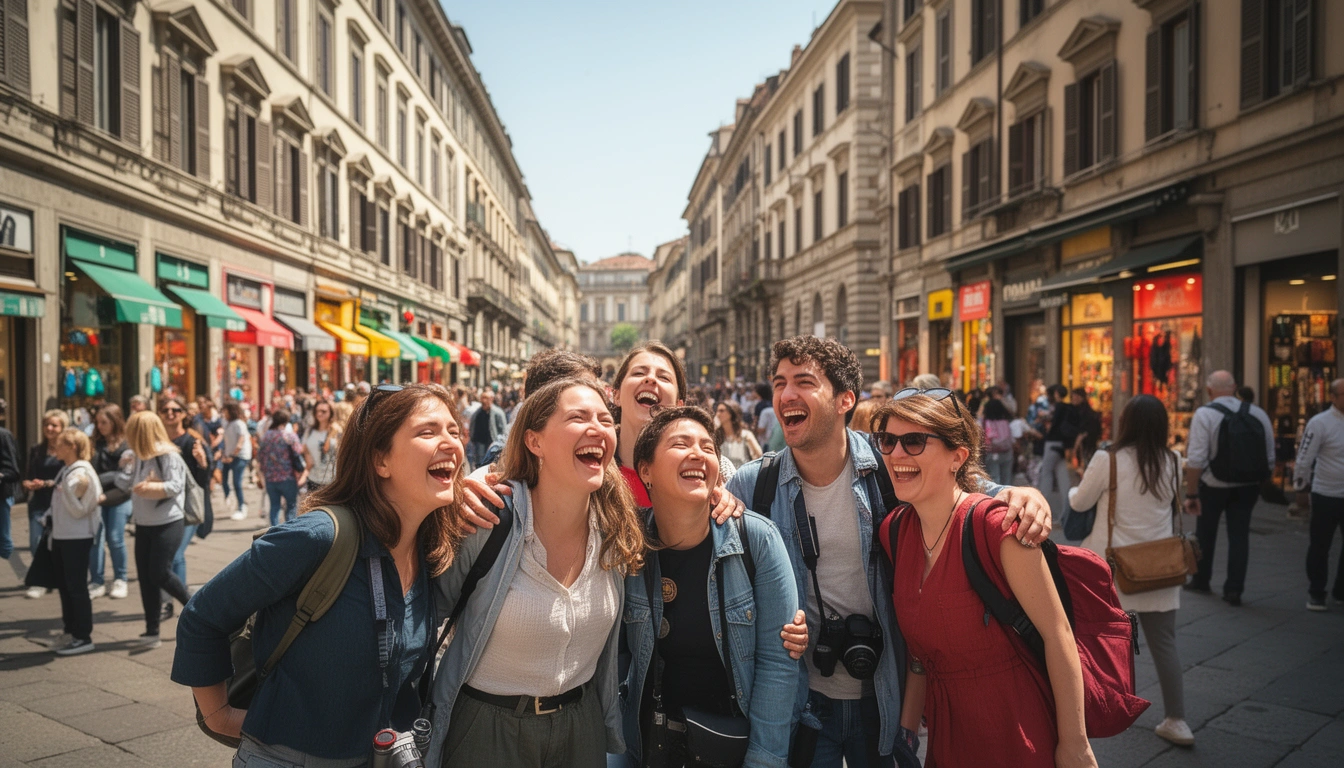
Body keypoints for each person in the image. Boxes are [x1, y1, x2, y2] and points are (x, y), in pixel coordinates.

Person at [725, 337, 1053, 768]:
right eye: (779, 382)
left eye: (804, 382)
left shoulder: (888, 466)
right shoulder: (752, 486)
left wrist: (1019, 493)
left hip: (884, 695)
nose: (786, 394)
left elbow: (965, 489)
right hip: (801, 700)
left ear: (846, 400)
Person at [174, 384, 464, 763]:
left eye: (454, 431)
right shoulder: (318, 536)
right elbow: (202, 616)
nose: (450, 443)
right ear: (381, 461)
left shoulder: (429, 547)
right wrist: (220, 716)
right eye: (428, 431)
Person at [424, 378, 643, 767]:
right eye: (578, 417)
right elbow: (424, 616)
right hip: (487, 733)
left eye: (606, 419)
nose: (598, 428)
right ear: (534, 441)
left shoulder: (617, 529)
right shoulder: (489, 517)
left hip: (581, 728)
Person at [873, 392, 1097, 768]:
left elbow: (1058, 635)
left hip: (1017, 732)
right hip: (947, 738)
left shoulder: (997, 527)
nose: (896, 455)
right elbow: (918, 657)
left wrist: (1075, 745)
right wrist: (906, 737)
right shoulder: (894, 532)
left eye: (913, 441)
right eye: (887, 441)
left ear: (957, 456)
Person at [620, 406, 800, 767]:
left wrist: (763, 760)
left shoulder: (757, 540)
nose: (698, 454)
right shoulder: (626, 544)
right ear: (646, 471)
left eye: (707, 447)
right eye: (681, 443)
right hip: (646, 747)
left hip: (733, 748)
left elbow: (778, 667)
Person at [1070, 395, 1192, 746]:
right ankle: (1177, 720)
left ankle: (1087, 709)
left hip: (1111, 567)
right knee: (1164, 644)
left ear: (1126, 423)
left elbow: (1079, 502)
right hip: (1158, 567)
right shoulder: (1173, 460)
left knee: (1088, 639)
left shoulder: (1107, 459)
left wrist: (1076, 486)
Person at [1184, 370, 1275, 606]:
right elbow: (1269, 455)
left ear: (1209, 390)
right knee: (1239, 535)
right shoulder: (1257, 412)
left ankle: (1202, 580)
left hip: (1213, 484)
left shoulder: (1205, 414)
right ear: (1234, 387)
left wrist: (1191, 492)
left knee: (1205, 532)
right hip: (1248, 486)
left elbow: (1195, 458)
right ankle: (1234, 589)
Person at [118, 411, 193, 648]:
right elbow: (127, 484)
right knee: (146, 578)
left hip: (168, 522)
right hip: (143, 524)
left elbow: (175, 486)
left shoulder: (168, 454)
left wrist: (153, 487)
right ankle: (152, 630)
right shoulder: (139, 455)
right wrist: (121, 471)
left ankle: (195, 606)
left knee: (159, 573)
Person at [45, 428, 102, 656]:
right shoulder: (66, 471)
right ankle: (71, 631)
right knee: (66, 587)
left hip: (77, 537)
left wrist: (65, 491)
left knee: (76, 587)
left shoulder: (82, 473)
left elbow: (81, 510)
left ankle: (83, 636)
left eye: (60, 444)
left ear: (72, 447)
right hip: (62, 536)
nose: (55, 447)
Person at [1293, 378, 1344, 611]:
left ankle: (1341, 590)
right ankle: (1317, 591)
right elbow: (1305, 457)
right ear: (1333, 397)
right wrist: (1301, 487)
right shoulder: (1320, 423)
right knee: (1320, 545)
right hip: (1326, 493)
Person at [160, 396, 212, 619]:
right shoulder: (159, 441)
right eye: (165, 410)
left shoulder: (191, 442)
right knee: (166, 558)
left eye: (175, 410)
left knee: (175, 555)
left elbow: (202, 481)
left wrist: (202, 463)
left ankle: (182, 603)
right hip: (164, 505)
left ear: (182, 414)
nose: (170, 413)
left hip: (187, 507)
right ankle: (170, 602)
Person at [23, 410, 68, 598]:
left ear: (63, 428)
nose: (49, 428)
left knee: (59, 546)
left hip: (60, 505)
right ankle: (41, 581)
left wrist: (50, 483)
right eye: (46, 424)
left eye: (54, 425)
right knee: (35, 542)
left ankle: (55, 578)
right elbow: (27, 476)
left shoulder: (67, 449)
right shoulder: (36, 449)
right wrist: (28, 484)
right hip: (39, 503)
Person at [89, 404, 132, 600]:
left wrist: (108, 480)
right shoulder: (94, 443)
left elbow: (126, 479)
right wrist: (113, 475)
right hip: (96, 498)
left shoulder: (126, 444)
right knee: (96, 540)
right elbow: (91, 473)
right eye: (98, 422)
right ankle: (96, 581)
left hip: (119, 497)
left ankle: (120, 579)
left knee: (115, 538)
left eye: (104, 422)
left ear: (115, 422)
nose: (100, 426)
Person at [257, 410, 306, 527]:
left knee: (274, 506)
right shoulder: (289, 436)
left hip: (271, 477)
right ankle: (290, 530)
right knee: (291, 506)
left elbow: (260, 456)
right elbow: (298, 451)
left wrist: (263, 472)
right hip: (287, 476)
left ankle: (274, 530)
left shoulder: (266, 436)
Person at [1037, 385, 1078, 516]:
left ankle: (1042, 509)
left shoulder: (1059, 407)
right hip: (1062, 444)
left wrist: (1048, 426)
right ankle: (1067, 510)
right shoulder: (1069, 407)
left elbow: (1054, 425)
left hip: (1052, 443)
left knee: (1046, 474)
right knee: (1062, 476)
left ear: (1055, 393)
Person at [219, 401, 252, 520]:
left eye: (225, 411)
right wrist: (224, 453)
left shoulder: (239, 424)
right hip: (228, 455)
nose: (223, 413)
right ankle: (230, 497)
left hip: (240, 456)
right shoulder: (226, 422)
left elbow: (240, 441)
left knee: (236, 482)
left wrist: (232, 455)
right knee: (224, 480)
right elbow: (226, 440)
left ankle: (242, 507)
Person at [300, 399, 341, 494]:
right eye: (317, 411)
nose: (319, 414)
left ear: (331, 413)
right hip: (313, 480)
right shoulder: (309, 431)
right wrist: (304, 475)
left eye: (323, 411)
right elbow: (305, 451)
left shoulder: (337, 431)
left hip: (332, 481)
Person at [0, 399, 22, 565]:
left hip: (2, 494)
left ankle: (20, 573)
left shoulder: (4, 435)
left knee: (4, 539)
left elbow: (13, 470)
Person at [715, 400, 763, 469]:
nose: (718, 414)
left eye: (721, 411)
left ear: (731, 413)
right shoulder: (716, 436)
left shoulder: (746, 435)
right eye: (717, 411)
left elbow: (758, 456)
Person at [981, 396, 1016, 486]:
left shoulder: (985, 422)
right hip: (1007, 451)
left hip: (992, 453)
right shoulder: (1005, 422)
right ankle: (1007, 498)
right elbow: (1011, 438)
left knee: (994, 478)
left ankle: (996, 498)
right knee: (1007, 478)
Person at [467, 390, 507, 469]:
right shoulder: (477, 412)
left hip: (492, 444)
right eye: (482, 398)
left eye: (486, 398)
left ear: (491, 399)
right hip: (480, 443)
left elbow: (503, 429)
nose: (483, 401)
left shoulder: (498, 413)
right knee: (480, 464)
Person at [1071, 388, 1102, 467]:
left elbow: (1083, 432)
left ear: (1080, 397)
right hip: (1088, 445)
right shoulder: (1081, 410)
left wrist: (1075, 448)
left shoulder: (1084, 412)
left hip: (1087, 445)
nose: (1073, 399)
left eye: (1074, 396)